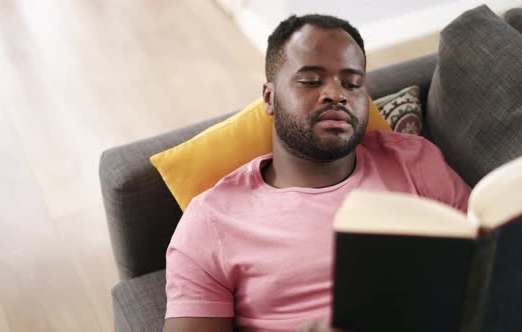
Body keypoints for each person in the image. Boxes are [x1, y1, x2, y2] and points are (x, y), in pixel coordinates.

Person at [163, 14, 470, 332]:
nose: (337, 94)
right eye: (311, 81)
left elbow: (490, 259)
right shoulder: (212, 221)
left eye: (352, 84)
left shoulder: (413, 158)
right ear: (270, 97)